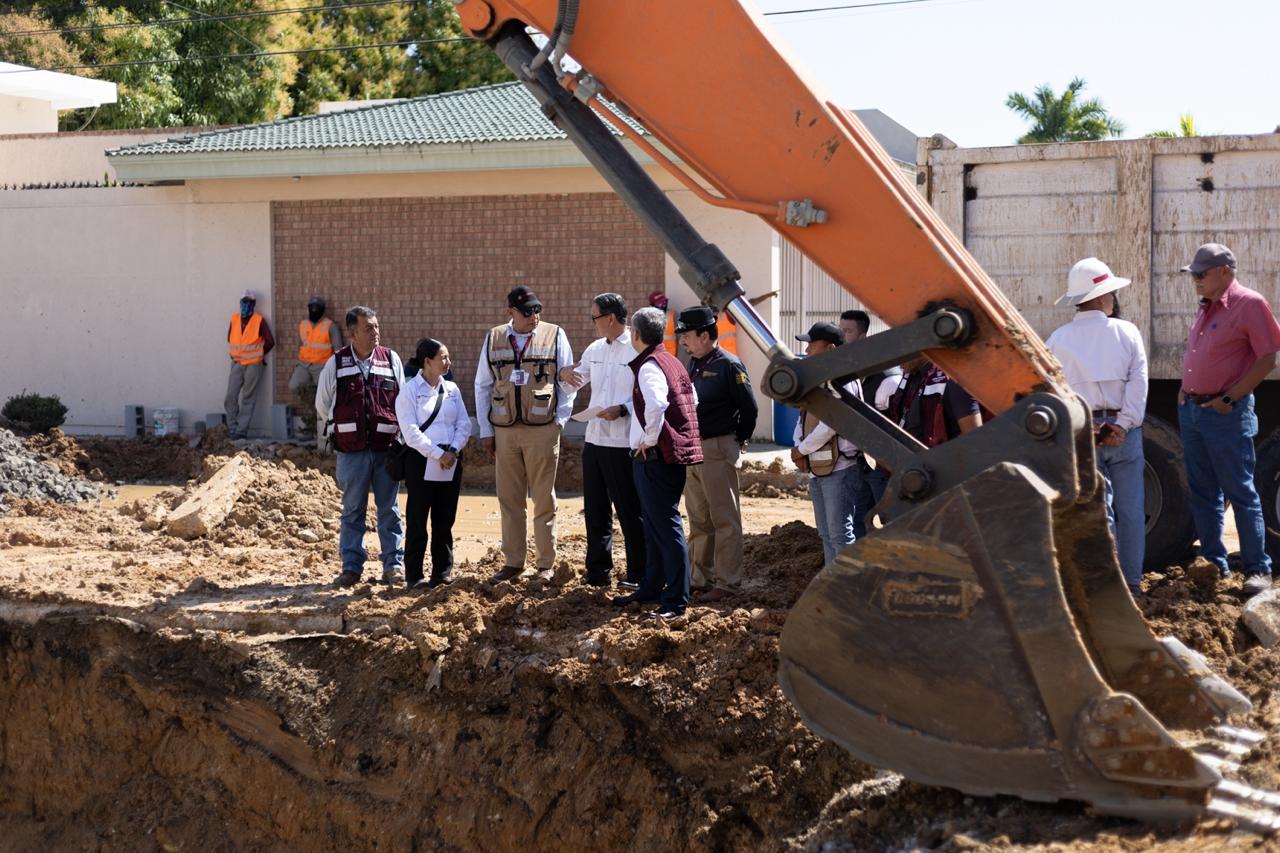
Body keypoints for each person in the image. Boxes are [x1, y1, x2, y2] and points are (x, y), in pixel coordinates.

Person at [1177, 243, 1280, 594]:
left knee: (1240, 490)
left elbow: (1267, 359)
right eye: (1193, 274)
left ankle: (1257, 569)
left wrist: (1228, 399)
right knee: (1203, 491)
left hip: (1225, 414)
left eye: (1201, 273)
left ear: (1224, 272)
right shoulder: (1206, 306)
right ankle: (1213, 563)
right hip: (1193, 411)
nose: (1195, 279)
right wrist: (1184, 391)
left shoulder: (1249, 304)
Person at [1047, 258, 1148, 597]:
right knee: (1131, 511)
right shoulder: (1127, 332)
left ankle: (1108, 587)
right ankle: (1132, 583)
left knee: (1099, 513)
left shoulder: (1057, 339)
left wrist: (1085, 427)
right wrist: (1122, 425)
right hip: (1123, 432)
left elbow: (1054, 392)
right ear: (1104, 297)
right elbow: (1138, 383)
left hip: (1083, 433)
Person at [475, 286, 576, 584]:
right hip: (505, 431)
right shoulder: (494, 338)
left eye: (537, 309)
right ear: (511, 312)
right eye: (527, 311)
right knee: (509, 499)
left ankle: (545, 564)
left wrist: (559, 422)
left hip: (542, 429)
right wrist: (486, 430)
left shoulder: (554, 335)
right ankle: (513, 562)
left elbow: (568, 381)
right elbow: (482, 385)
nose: (535, 316)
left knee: (543, 498)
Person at [613, 306, 703, 620]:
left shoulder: (649, 366)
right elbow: (692, 400)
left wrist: (650, 439)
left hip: (654, 458)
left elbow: (657, 404)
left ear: (636, 334)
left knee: (666, 526)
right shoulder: (672, 361)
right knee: (654, 527)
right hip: (667, 457)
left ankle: (676, 601)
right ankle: (652, 587)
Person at [559, 293, 647, 589]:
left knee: (629, 511)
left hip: (622, 443)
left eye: (595, 317)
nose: (592, 323)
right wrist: (564, 373)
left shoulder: (636, 350)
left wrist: (623, 409)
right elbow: (574, 381)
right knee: (596, 510)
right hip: (595, 440)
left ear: (610, 318)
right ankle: (598, 572)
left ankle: (639, 574)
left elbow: (647, 395)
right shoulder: (595, 348)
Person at [315, 306, 405, 588]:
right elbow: (323, 405)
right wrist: (343, 429)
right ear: (352, 333)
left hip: (385, 449)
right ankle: (351, 567)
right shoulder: (336, 364)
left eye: (376, 326)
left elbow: (402, 401)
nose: (375, 332)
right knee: (353, 510)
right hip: (351, 452)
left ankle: (393, 565)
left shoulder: (391, 359)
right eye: (368, 328)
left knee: (389, 510)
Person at [676, 305, 758, 602]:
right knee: (699, 518)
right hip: (694, 448)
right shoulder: (693, 363)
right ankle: (700, 578)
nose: (682, 340)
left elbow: (749, 409)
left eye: (686, 334)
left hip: (717, 447)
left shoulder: (729, 365)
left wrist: (738, 439)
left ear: (704, 335)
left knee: (724, 518)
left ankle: (727, 582)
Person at [396, 338, 471, 590]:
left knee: (444, 520)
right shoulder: (409, 391)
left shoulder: (452, 389)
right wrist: (438, 454)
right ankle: (414, 575)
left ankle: (442, 573)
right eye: (443, 357)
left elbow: (464, 424)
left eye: (448, 357)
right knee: (417, 520)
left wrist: (453, 450)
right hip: (421, 461)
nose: (448, 362)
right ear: (427, 361)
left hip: (451, 461)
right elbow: (410, 432)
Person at [789, 322, 862, 564]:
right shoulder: (820, 380)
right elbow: (803, 417)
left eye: (812, 344)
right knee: (826, 534)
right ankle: (832, 582)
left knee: (839, 534)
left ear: (830, 348)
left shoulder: (844, 382)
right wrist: (799, 446)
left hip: (840, 469)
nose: (807, 350)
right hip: (819, 468)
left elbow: (832, 424)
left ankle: (844, 585)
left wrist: (802, 449)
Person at [840, 308, 899, 539]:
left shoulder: (888, 380)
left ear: (863, 337)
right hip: (860, 462)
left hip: (883, 467)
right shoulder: (849, 373)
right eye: (841, 330)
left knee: (889, 519)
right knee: (858, 520)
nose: (842, 336)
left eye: (847, 331)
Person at [887, 359, 982, 447]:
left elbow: (975, 443)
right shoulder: (910, 377)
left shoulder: (952, 380)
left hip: (936, 457)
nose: (895, 358)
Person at [224, 288, 275, 440]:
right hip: (237, 363)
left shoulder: (259, 320)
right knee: (230, 397)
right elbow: (230, 338)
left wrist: (259, 355)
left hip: (253, 365)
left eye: (249, 302)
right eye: (244, 301)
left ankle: (241, 432)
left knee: (248, 398)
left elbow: (270, 342)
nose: (246, 304)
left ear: (254, 303)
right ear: (240, 303)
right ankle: (232, 428)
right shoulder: (234, 319)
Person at [288, 296, 343, 397]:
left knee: (326, 391)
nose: (314, 310)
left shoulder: (331, 326)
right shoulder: (303, 324)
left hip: (322, 365)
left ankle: (318, 400)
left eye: (317, 307)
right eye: (311, 307)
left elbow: (338, 350)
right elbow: (300, 345)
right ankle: (312, 396)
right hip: (304, 365)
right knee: (293, 386)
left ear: (323, 309)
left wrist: (334, 368)